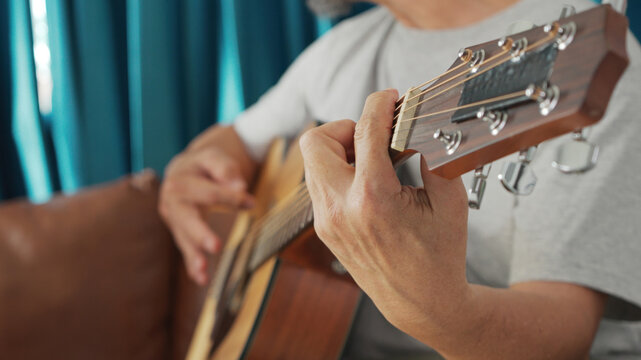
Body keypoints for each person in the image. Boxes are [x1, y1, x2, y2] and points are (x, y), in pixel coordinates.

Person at [159, 0, 641, 357]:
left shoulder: (573, 53)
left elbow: (565, 333)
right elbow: (236, 139)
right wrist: (188, 169)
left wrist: (449, 315)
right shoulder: (342, 49)